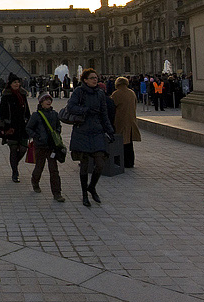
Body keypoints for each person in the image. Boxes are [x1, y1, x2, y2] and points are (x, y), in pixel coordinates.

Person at [66, 68, 115, 207]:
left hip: (97, 131)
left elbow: (104, 114)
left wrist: (110, 130)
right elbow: (70, 107)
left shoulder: (100, 93)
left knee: (100, 163)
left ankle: (92, 186)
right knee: (84, 165)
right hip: (82, 131)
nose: (95, 80)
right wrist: (85, 110)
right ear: (85, 80)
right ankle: (84, 194)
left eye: (96, 77)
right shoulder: (79, 92)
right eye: (92, 78)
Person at [26, 93, 65, 201]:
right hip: (40, 146)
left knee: (54, 170)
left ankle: (57, 193)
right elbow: (28, 128)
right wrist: (37, 137)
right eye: (46, 100)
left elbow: (58, 126)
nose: (48, 101)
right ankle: (35, 181)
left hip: (52, 146)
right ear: (41, 103)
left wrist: (57, 133)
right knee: (40, 166)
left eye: (49, 100)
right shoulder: (36, 115)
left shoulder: (54, 114)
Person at [0, 73, 31, 182]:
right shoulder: (6, 96)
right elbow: (1, 112)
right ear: (10, 84)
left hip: (22, 126)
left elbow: (27, 111)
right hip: (11, 127)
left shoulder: (23, 95)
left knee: (23, 149)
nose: (17, 84)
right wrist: (2, 126)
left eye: (18, 82)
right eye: (14, 82)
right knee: (13, 149)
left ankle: (14, 164)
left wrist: (30, 122)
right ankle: (15, 172)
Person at [110, 76, 141, 168]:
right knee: (129, 142)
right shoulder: (131, 92)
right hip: (131, 120)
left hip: (120, 120)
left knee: (122, 142)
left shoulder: (116, 94)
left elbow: (112, 107)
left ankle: (123, 162)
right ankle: (130, 161)